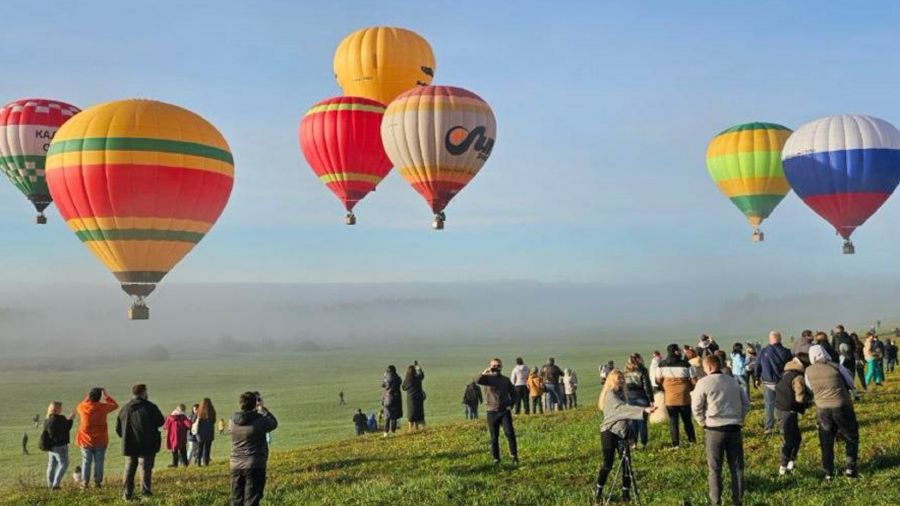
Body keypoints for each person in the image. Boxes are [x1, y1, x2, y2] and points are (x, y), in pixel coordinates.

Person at [691, 354, 750, 506]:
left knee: (715, 468)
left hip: (714, 429)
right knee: (737, 467)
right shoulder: (734, 381)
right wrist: (739, 418)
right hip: (734, 428)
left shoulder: (703, 383)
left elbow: (696, 407)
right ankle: (737, 501)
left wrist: (703, 422)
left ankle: (715, 501)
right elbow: (746, 404)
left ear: (709, 367)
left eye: (704, 368)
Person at [593, 369, 656, 502]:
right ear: (612, 380)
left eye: (622, 378)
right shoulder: (610, 395)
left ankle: (625, 494)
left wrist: (631, 435)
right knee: (607, 464)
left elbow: (626, 418)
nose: (622, 380)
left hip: (622, 432)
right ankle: (598, 491)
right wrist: (643, 410)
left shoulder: (622, 394)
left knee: (627, 465)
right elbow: (622, 410)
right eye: (618, 378)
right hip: (609, 432)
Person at [805, 345, 859, 479]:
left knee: (826, 441)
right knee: (850, 437)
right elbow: (851, 383)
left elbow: (810, 388)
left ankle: (828, 472)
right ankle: (850, 468)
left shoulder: (808, 371)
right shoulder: (836, 367)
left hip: (823, 410)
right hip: (841, 406)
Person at [116, 383, 164, 500]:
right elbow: (160, 421)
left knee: (129, 468)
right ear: (143, 392)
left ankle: (127, 494)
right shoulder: (150, 407)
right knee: (145, 468)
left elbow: (118, 429)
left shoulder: (125, 408)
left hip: (129, 444)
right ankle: (145, 492)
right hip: (147, 444)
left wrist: (127, 436)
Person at [230, 391, 278, 506]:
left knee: (236, 500)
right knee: (251, 500)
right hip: (254, 463)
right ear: (254, 404)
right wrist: (262, 409)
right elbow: (273, 424)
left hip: (235, 464)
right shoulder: (260, 421)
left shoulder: (232, 421)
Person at [774, 356, 812, 475]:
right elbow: (799, 398)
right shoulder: (798, 377)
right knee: (790, 440)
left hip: (779, 409)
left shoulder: (785, 374)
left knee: (794, 438)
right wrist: (809, 400)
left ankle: (790, 463)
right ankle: (783, 467)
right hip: (789, 411)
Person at [75, 387, 118, 488]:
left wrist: (88, 396)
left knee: (86, 461)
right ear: (99, 398)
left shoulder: (82, 407)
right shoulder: (103, 407)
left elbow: (82, 403)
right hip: (100, 440)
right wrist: (106, 396)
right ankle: (97, 482)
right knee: (99, 462)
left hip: (85, 440)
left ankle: (85, 482)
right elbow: (115, 405)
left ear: (89, 397)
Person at [477, 358, 518, 464]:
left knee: (510, 433)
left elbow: (514, 394)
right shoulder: (486, 379)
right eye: (494, 366)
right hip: (491, 411)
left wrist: (510, 405)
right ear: (490, 366)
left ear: (501, 367)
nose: (496, 368)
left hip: (504, 411)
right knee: (494, 436)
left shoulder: (505, 379)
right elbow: (477, 381)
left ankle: (514, 456)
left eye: (498, 365)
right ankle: (496, 459)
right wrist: (484, 373)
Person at [655, 343, 697, 448]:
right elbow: (694, 381)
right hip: (684, 397)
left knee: (673, 421)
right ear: (676, 352)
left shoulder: (662, 365)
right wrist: (688, 389)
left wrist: (666, 387)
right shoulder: (686, 365)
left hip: (670, 398)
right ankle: (692, 441)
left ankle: (675, 443)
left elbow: (657, 380)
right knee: (687, 420)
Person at [755, 330, 792, 434]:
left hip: (768, 382)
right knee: (783, 406)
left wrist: (757, 378)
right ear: (780, 339)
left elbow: (757, 365)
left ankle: (769, 427)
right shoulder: (787, 352)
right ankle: (783, 427)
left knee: (769, 406)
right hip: (783, 382)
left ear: (770, 339)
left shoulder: (763, 351)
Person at [623, 354, 653, 449]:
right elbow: (647, 386)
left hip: (630, 399)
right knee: (642, 423)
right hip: (642, 397)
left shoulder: (625, 372)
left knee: (633, 423)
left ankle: (633, 444)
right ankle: (644, 443)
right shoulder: (642, 371)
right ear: (639, 360)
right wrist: (651, 399)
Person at [42, 401, 75, 489]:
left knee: (51, 465)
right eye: (60, 408)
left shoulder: (47, 419)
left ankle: (50, 484)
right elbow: (67, 428)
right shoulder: (60, 418)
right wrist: (71, 419)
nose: (61, 410)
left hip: (51, 447)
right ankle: (56, 485)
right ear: (57, 409)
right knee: (64, 464)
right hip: (60, 446)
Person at [401, 364, 426, 432]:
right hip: (419, 398)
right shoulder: (417, 378)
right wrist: (419, 369)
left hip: (411, 399)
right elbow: (422, 376)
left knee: (411, 414)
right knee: (420, 413)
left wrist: (406, 378)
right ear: (415, 371)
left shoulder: (408, 380)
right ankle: (423, 427)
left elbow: (403, 388)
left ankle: (410, 429)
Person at [193, 398, 217, 466]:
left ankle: (198, 463)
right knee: (207, 448)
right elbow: (214, 421)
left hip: (200, 433)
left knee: (200, 448)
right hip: (209, 432)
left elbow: (194, 420)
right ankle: (206, 462)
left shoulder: (199, 411)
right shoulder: (212, 411)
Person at [381, 365, 402, 436]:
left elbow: (383, 385)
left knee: (387, 415)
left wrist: (384, 377)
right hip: (396, 398)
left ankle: (386, 432)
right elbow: (400, 381)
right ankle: (393, 430)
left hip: (388, 398)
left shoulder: (387, 378)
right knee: (394, 416)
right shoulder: (397, 377)